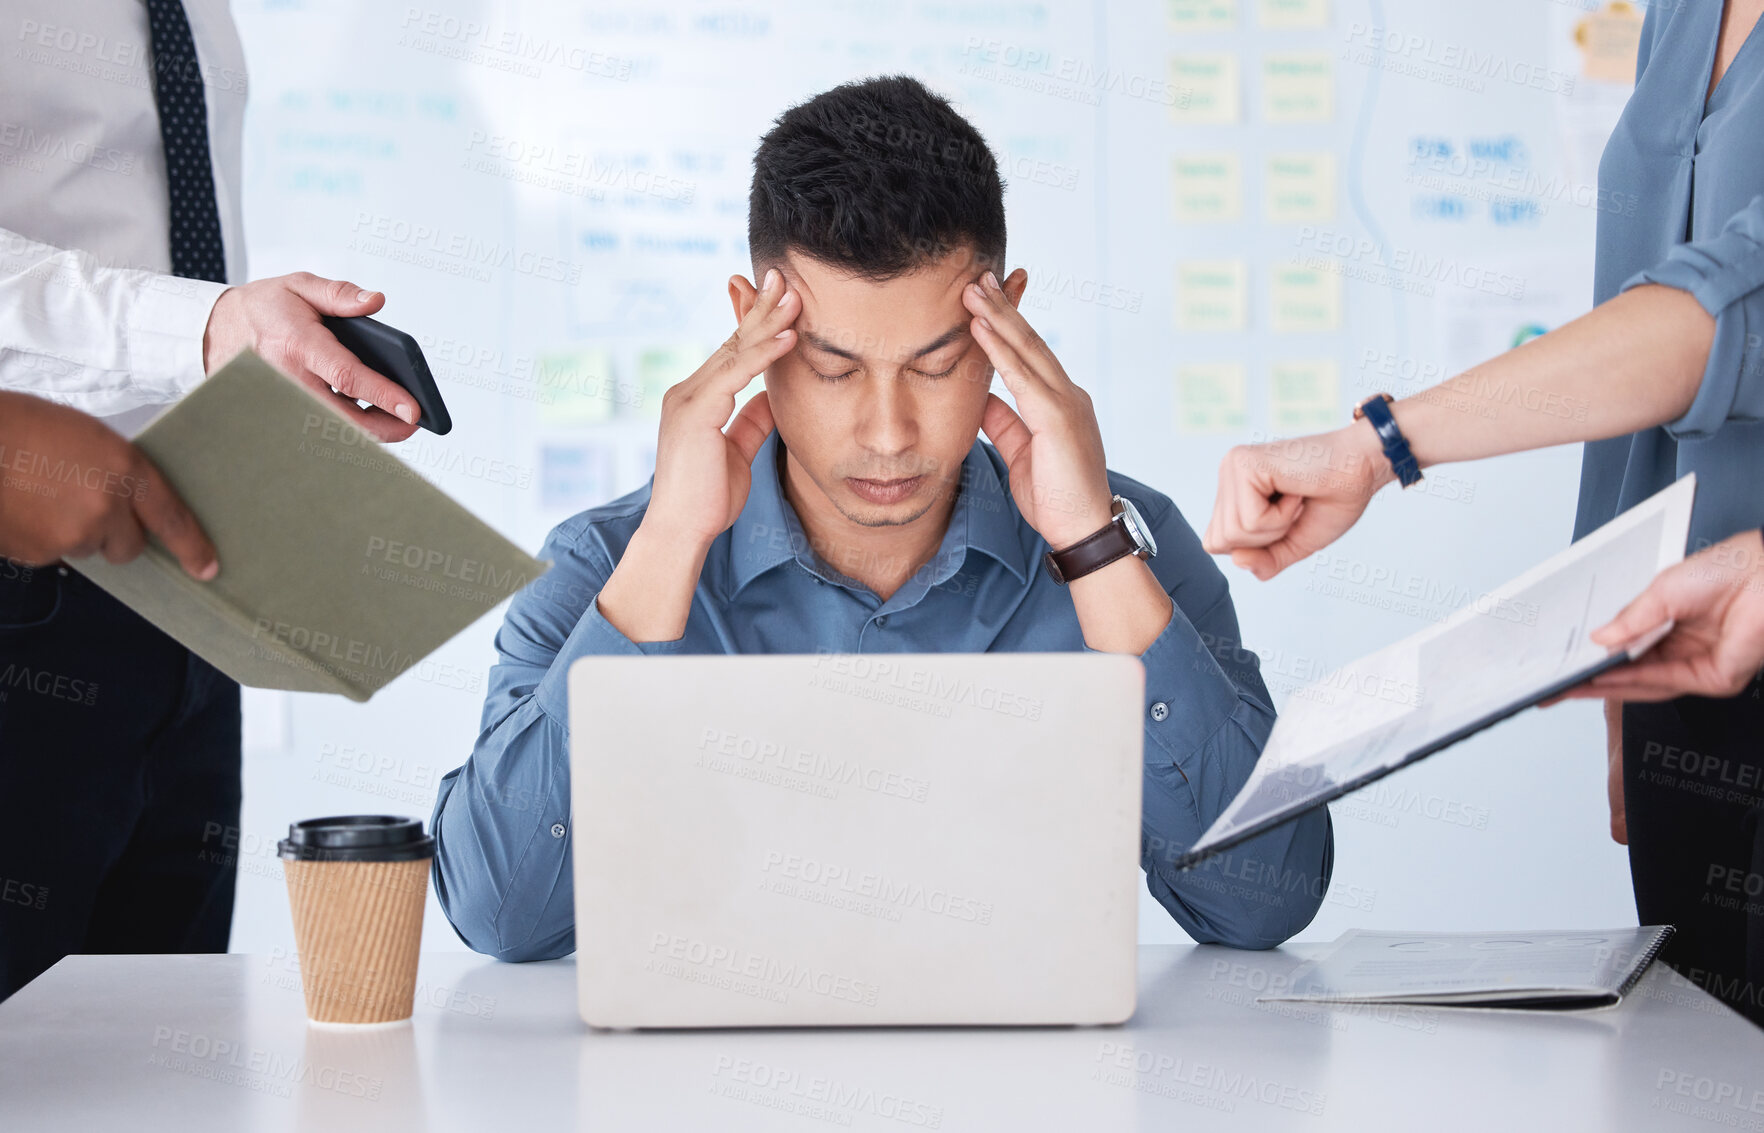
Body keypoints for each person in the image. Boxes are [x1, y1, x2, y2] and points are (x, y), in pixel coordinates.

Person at [430, 76, 1333, 961]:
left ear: (1004, 323)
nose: (890, 434)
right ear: (751, 327)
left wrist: (1093, 550)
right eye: (833, 369)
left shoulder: (1124, 543)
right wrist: (669, 544)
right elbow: (501, 911)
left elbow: (1267, 899)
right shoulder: (609, 564)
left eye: (936, 366)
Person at [1202, 0, 1764, 1024]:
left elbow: (1725, 310)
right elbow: (1640, 313)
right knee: (1710, 1074)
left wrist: (1378, 447)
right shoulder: (1684, 12)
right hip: (1689, 652)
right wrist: (1605, 647)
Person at [0, 0, 421, 1001]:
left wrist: (222, 350)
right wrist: (197, 324)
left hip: (172, 579)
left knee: (158, 1062)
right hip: (22, 572)